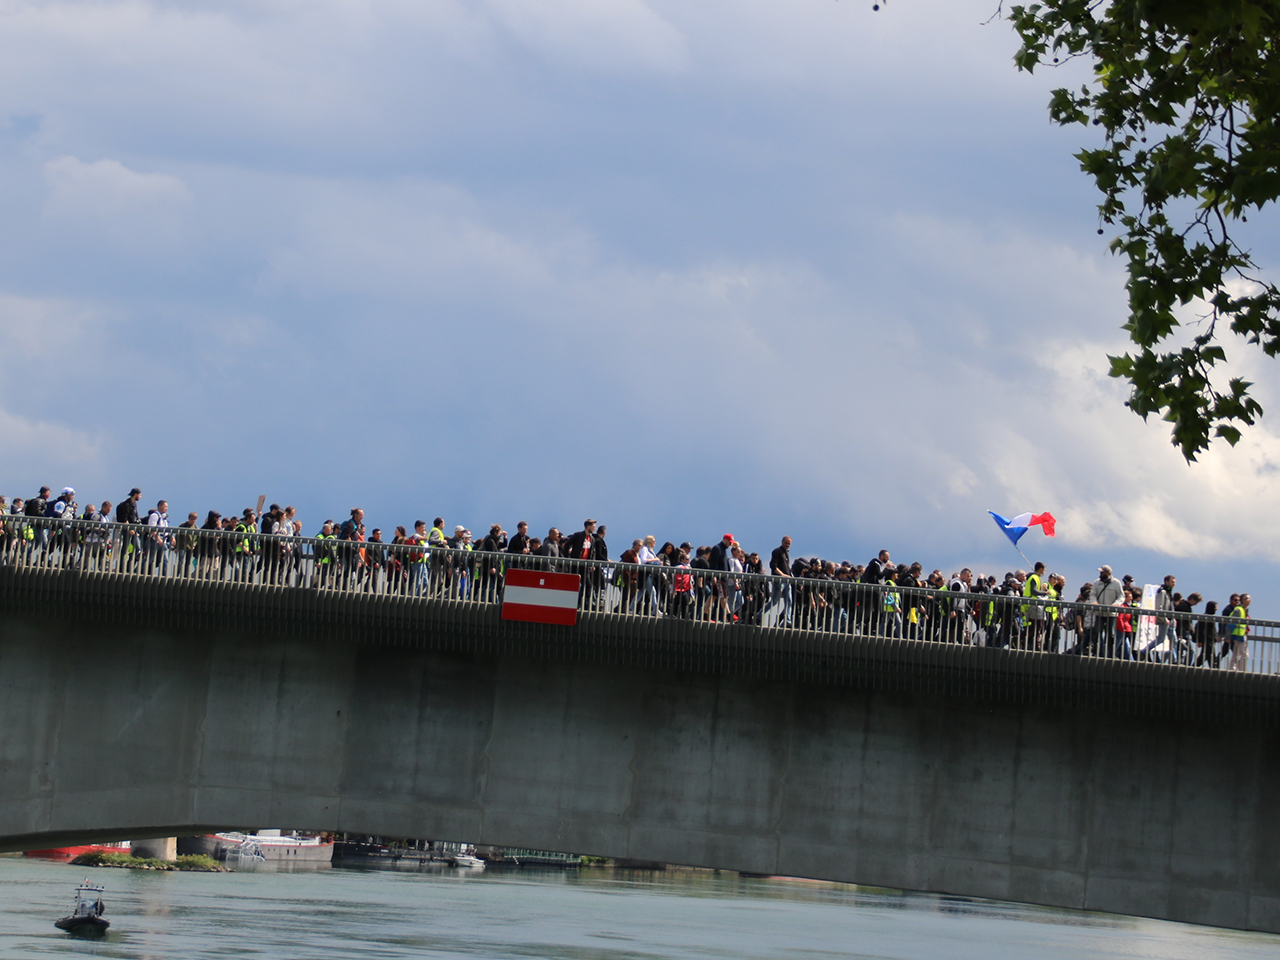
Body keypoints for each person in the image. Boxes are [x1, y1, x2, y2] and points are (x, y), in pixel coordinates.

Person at [1091, 565, 1124, 657]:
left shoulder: (1116, 583)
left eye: (1102, 572)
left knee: (1111, 635)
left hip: (1111, 614)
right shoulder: (1096, 583)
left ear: (1108, 573)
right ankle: (1097, 653)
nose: (1100, 574)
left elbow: (1121, 596)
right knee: (1097, 633)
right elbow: (1092, 594)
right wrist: (1094, 602)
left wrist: (1116, 604)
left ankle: (1111, 654)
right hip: (1099, 612)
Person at [769, 536, 793, 626]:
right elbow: (773, 566)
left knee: (789, 601)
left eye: (789, 544)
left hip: (787, 580)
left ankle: (788, 620)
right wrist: (782, 575)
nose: (787, 545)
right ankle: (759, 615)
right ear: (782, 541)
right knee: (774, 601)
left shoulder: (786, 552)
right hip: (779, 580)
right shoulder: (777, 551)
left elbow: (786, 566)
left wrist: (789, 575)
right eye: (786, 543)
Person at [1227, 593, 1250, 672]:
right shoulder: (1239, 610)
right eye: (1247, 599)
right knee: (1244, 654)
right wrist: (1228, 635)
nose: (1249, 600)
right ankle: (1242, 670)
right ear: (1242, 600)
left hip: (1240, 634)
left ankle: (1233, 668)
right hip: (1238, 634)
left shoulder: (1243, 610)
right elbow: (1231, 623)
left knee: (1236, 653)